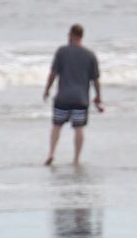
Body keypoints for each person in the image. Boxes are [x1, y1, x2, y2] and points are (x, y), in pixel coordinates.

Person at [43, 23, 104, 166]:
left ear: (70, 35)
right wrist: (98, 96)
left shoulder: (61, 52)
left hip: (62, 97)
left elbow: (53, 74)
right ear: (82, 36)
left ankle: (51, 153)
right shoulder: (90, 55)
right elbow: (95, 79)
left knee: (57, 125)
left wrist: (47, 89)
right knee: (78, 128)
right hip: (81, 99)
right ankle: (76, 159)